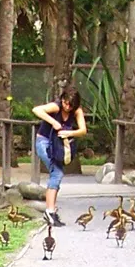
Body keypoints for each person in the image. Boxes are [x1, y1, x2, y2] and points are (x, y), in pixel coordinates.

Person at [31, 86, 86, 228]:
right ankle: (49, 211)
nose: (67, 107)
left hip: (60, 145)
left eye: (70, 105)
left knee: (57, 175)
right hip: (44, 142)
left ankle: (51, 211)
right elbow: (36, 110)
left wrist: (69, 133)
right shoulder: (56, 107)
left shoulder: (77, 111)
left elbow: (82, 130)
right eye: (65, 103)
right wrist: (53, 122)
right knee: (57, 173)